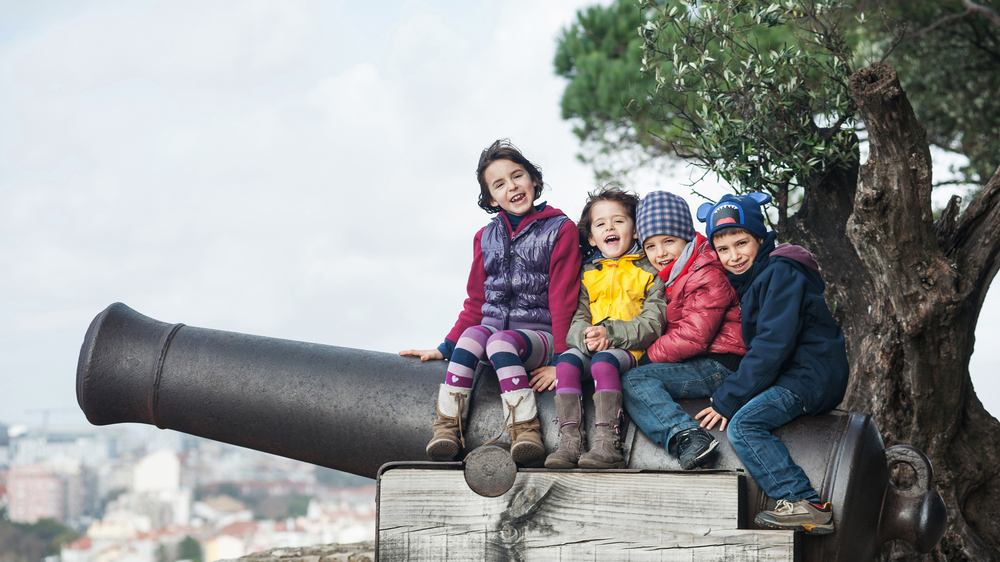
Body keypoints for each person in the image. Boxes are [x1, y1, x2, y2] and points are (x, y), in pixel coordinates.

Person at [400, 139, 582, 466]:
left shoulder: (560, 230)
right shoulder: (485, 238)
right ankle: (447, 427)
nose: (512, 186)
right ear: (491, 198)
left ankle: (525, 429)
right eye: (500, 184)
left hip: (537, 338)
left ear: (534, 180)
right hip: (492, 332)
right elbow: (476, 302)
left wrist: (563, 360)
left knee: (498, 342)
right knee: (473, 338)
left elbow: (563, 300)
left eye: (517, 176)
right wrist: (445, 346)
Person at [693, 192, 849, 535]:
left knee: (744, 425)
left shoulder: (780, 272)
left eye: (741, 242)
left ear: (760, 238)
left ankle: (804, 502)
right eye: (723, 249)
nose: (733, 256)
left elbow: (773, 344)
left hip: (811, 376)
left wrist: (729, 398)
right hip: (798, 373)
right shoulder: (757, 278)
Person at [619, 191, 746, 471]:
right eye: (650, 246)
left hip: (719, 363)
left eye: (668, 241)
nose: (660, 253)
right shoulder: (679, 273)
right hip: (705, 360)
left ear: (687, 238)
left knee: (635, 380)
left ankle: (688, 435)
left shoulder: (704, 272)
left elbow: (694, 336)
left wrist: (646, 359)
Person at [544, 187, 665, 469]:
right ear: (591, 237)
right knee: (566, 364)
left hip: (629, 350)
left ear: (635, 231)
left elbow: (653, 322)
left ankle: (608, 441)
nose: (609, 227)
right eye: (600, 224)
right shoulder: (588, 274)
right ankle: (570, 441)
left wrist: (609, 335)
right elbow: (579, 316)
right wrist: (585, 339)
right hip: (592, 345)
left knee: (602, 363)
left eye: (619, 221)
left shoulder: (649, 271)